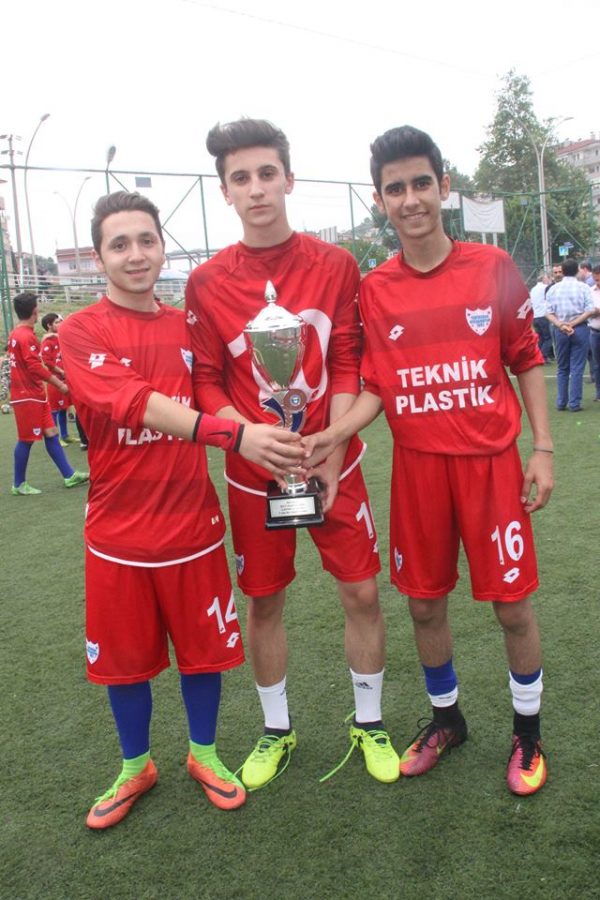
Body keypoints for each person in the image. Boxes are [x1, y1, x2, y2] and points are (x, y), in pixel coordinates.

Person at [302, 125, 554, 796]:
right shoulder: (375, 289)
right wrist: (333, 433)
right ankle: (448, 720)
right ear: (379, 199)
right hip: (418, 471)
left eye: (421, 183)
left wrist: (543, 448)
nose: (410, 199)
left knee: (512, 607)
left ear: (444, 187)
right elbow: (377, 386)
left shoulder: (491, 267)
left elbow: (526, 357)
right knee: (422, 606)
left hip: (491, 466)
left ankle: (528, 733)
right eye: (396, 189)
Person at [59, 191, 305, 829]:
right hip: (117, 535)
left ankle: (205, 755)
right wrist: (236, 436)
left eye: (146, 240)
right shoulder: (81, 330)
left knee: (205, 654)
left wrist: (277, 432)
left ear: (162, 247)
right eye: (119, 244)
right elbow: (134, 402)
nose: (135, 255)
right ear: (99, 257)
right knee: (124, 664)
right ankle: (134, 766)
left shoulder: (186, 326)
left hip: (194, 527)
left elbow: (219, 387)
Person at [185, 118, 397, 790]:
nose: (256, 189)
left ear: (289, 179)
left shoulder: (335, 265)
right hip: (257, 472)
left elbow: (347, 358)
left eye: (266, 174)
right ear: (225, 191)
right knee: (264, 599)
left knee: (362, 591)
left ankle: (369, 722)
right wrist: (246, 435)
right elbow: (206, 380)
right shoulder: (207, 281)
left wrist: (334, 444)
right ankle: (276, 729)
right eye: (241, 178)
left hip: (335, 462)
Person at [8, 292, 89, 495]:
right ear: (35, 311)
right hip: (27, 396)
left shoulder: (17, 333)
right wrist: (60, 384)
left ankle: (69, 475)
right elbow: (35, 367)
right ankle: (18, 484)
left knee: (52, 433)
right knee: (26, 439)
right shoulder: (26, 336)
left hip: (34, 393)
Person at [545, 258, 596, 411]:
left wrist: (561, 324)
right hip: (579, 328)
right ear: (577, 271)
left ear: (563, 271)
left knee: (562, 367)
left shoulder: (553, 289)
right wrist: (572, 324)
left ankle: (561, 402)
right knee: (577, 367)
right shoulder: (584, 287)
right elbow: (590, 310)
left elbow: (548, 312)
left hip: (560, 329)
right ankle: (574, 403)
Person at [40, 313, 75, 445]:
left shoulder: (59, 338)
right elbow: (47, 362)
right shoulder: (47, 342)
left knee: (64, 408)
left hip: (65, 378)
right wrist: (61, 371)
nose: (60, 324)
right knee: (54, 410)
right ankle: (55, 439)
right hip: (55, 380)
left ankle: (64, 435)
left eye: (60, 321)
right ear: (49, 325)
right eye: (57, 322)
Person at [529, 272, 553, 362]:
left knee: (540, 338)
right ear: (544, 279)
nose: (550, 280)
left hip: (535, 316)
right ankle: (543, 356)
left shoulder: (533, 289)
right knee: (548, 338)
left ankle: (537, 356)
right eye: (548, 278)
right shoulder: (545, 288)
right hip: (543, 315)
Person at [587, 264, 600, 401]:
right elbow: (587, 310)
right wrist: (592, 312)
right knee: (597, 364)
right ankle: (599, 392)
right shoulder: (590, 291)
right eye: (596, 280)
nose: (598, 283)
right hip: (595, 332)